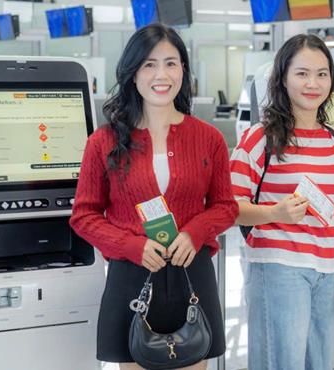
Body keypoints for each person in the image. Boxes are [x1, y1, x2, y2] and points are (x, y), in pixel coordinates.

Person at [70, 23, 238, 369]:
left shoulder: (209, 139)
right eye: (149, 64)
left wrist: (194, 233)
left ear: (183, 70)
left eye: (170, 63)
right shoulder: (103, 141)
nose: (161, 75)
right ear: (133, 74)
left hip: (192, 274)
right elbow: (84, 216)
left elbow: (225, 207)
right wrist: (131, 245)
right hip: (132, 275)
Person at [229, 34, 334, 370]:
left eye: (321, 74)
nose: (312, 83)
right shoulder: (261, 138)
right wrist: (275, 212)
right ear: (283, 78)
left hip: (326, 271)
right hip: (279, 268)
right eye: (302, 73)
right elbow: (228, 206)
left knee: (318, 364)